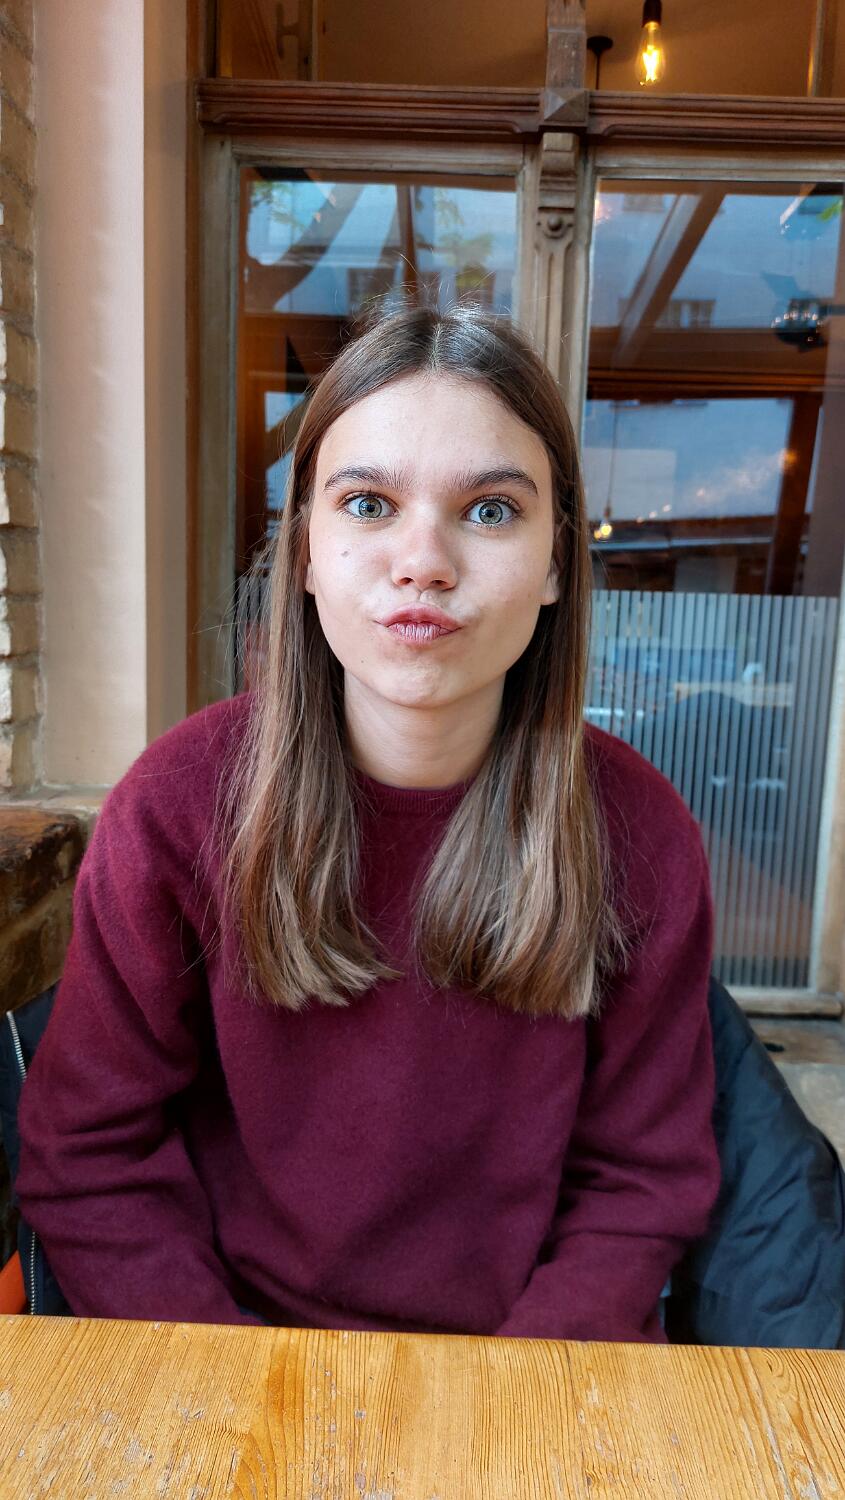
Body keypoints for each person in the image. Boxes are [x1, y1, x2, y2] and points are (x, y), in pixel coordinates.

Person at [15, 304, 720, 1341]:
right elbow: (89, 1153)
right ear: (305, 549)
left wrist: (505, 1404)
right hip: (231, 1355)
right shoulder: (175, 806)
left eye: (489, 510)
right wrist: (242, 1395)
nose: (422, 560)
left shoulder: (640, 830)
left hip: (531, 1370)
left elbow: (642, 1182)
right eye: (366, 503)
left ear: (555, 565)